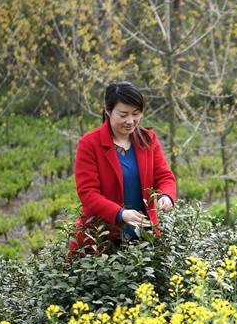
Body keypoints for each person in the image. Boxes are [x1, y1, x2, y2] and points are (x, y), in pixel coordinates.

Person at [68, 82, 177, 258]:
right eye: (123, 114)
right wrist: (120, 213)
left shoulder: (148, 140)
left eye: (136, 114)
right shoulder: (89, 144)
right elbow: (88, 193)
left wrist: (166, 196)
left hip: (144, 238)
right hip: (100, 240)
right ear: (108, 111)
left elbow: (165, 176)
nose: (130, 121)